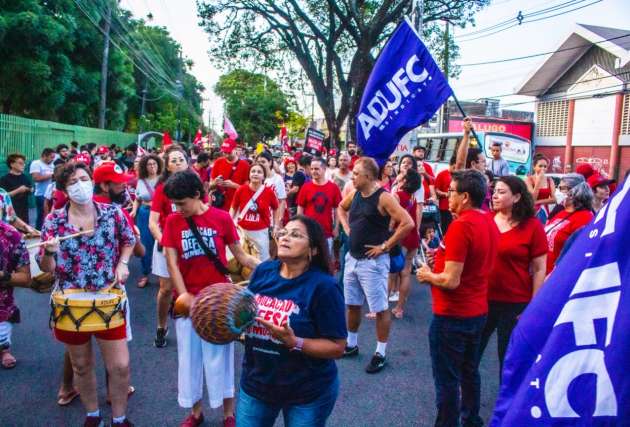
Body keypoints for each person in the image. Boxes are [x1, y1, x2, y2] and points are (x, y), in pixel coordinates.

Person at [38, 161, 136, 427]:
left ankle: (120, 418)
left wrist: (123, 263)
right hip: (71, 301)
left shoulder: (112, 213)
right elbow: (47, 268)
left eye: (84, 179)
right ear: (64, 190)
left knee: (120, 366)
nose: (80, 185)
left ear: (92, 181)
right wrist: (49, 252)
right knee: (81, 365)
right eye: (73, 182)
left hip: (108, 296)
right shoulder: (54, 221)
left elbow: (129, 240)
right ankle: (93, 415)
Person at [161, 170, 258, 427]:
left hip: (220, 304)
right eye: (174, 204)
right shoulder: (172, 221)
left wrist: (270, 268)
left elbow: (241, 256)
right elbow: (172, 262)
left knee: (221, 361)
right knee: (189, 361)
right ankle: (195, 413)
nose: (177, 209)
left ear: (197, 194)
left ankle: (228, 414)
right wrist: (184, 296)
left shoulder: (222, 218)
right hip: (187, 304)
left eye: (181, 203)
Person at [237, 215, 346, 427]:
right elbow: (245, 313)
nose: (285, 238)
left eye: (295, 235)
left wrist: (295, 342)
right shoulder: (263, 271)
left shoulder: (324, 287)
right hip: (257, 384)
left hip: (306, 392)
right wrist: (228, 319)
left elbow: (337, 347)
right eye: (283, 233)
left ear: (313, 250)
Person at [416, 169, 499, 427]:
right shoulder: (488, 220)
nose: (447, 195)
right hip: (476, 311)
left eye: (451, 191)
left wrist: (428, 275)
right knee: (469, 371)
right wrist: (440, 259)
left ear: (465, 197)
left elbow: (451, 280)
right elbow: (468, 260)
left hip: (453, 315)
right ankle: (471, 419)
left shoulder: (462, 226)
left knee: (447, 379)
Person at [338, 157, 414, 373]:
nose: (352, 177)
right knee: (352, 304)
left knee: (380, 309)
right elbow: (341, 208)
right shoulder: (355, 193)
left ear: (369, 176)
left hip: (373, 263)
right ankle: (352, 344)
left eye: (356, 174)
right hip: (352, 258)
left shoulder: (384, 197)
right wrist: (346, 228)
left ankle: (380, 353)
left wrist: (385, 246)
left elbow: (407, 223)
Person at [480, 176, 547, 376]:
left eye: (501, 192)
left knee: (509, 358)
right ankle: (466, 393)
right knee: (471, 352)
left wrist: (534, 305)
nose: (495, 196)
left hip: (515, 303)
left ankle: (507, 396)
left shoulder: (532, 226)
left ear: (517, 197)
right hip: (481, 298)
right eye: (494, 191)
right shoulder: (485, 220)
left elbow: (539, 268)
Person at [149, 145, 191, 348]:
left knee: (190, 287)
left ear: (187, 163)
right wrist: (165, 243)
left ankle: (191, 327)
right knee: (166, 290)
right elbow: (153, 223)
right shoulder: (161, 189)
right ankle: (161, 325)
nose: (177, 163)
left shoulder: (196, 187)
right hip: (166, 246)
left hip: (190, 244)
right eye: (173, 160)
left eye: (181, 159)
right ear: (167, 166)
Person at [544, 173, 594, 274]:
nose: (558, 191)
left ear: (575, 191)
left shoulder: (585, 217)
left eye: (562, 188)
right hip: (543, 271)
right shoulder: (561, 212)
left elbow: (577, 252)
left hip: (557, 274)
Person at [390, 168, 422, 319]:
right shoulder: (413, 197)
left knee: (391, 272)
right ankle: (399, 308)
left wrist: (388, 234)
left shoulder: (397, 195)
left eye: (402, 175)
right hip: (413, 235)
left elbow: (393, 220)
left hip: (401, 236)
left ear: (405, 181)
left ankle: (379, 309)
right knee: (406, 272)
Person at [231, 164, 280, 261]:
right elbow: (233, 208)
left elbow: (276, 208)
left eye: (259, 172)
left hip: (261, 233)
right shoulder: (241, 190)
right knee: (243, 260)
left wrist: (276, 226)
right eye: (253, 171)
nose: (255, 174)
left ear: (264, 176)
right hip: (243, 232)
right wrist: (231, 223)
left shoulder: (269, 192)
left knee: (262, 260)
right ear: (249, 174)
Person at [0, 221, 31, 369]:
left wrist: (2, 275)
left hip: (2, 303)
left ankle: (4, 350)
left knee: (3, 340)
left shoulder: (11, 235)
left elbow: (25, 279)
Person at [297, 158, 342, 257]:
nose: (314, 171)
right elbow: (300, 208)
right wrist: (299, 226)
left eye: (317, 169)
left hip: (326, 232)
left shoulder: (333, 188)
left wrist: (336, 227)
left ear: (324, 169)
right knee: (308, 260)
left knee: (325, 260)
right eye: (312, 169)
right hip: (308, 232)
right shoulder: (305, 187)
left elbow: (337, 209)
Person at [131, 154, 162, 288]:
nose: (152, 166)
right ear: (145, 166)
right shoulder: (141, 181)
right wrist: (134, 210)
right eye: (149, 164)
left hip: (160, 215)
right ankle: (145, 274)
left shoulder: (163, 180)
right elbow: (137, 199)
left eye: (154, 164)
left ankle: (161, 275)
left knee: (161, 243)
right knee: (145, 244)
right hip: (144, 214)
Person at [210, 138, 250, 211]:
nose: (226, 155)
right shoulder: (218, 162)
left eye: (229, 152)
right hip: (219, 204)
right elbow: (210, 186)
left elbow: (248, 190)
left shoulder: (245, 165)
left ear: (235, 150)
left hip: (235, 207)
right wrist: (215, 182)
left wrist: (234, 185)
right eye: (224, 152)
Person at [256, 151, 287, 226]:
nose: (260, 164)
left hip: (272, 220)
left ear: (270, 162)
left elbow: (282, 201)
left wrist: (279, 220)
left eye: (263, 162)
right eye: (258, 162)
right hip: (257, 219)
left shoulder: (277, 179)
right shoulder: (255, 177)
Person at [0, 153, 33, 224]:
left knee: (25, 229)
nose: (23, 165)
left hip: (24, 211)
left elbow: (30, 190)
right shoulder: (4, 179)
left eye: (24, 163)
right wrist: (18, 190)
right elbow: (2, 196)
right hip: (10, 213)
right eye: (20, 163)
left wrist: (30, 190)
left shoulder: (25, 177)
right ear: (12, 164)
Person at [30, 147, 56, 230]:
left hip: (51, 193)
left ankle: (49, 231)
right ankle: (39, 231)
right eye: (51, 157)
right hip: (41, 194)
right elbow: (36, 178)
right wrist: (52, 175)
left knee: (51, 214)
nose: (53, 159)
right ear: (44, 156)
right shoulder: (36, 163)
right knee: (41, 215)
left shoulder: (52, 164)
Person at [526, 154, 556, 223]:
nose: (543, 168)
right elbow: (533, 198)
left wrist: (538, 202)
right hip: (532, 211)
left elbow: (554, 199)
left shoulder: (549, 180)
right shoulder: (529, 180)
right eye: (540, 166)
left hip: (544, 212)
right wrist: (538, 182)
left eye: (545, 166)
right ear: (534, 167)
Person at [434, 156, 455, 233]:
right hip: (444, 207)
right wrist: (446, 194)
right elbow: (436, 190)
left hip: (456, 208)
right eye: (454, 167)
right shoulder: (442, 174)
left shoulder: (459, 175)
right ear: (450, 165)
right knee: (445, 229)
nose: (456, 169)